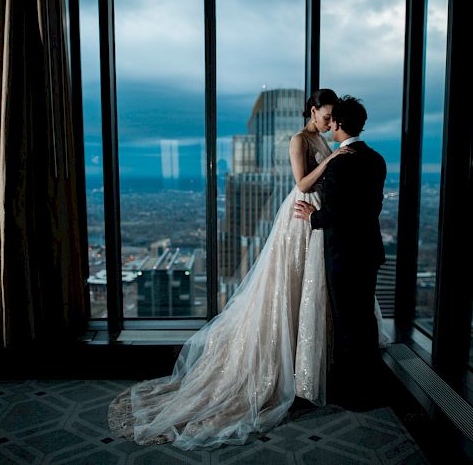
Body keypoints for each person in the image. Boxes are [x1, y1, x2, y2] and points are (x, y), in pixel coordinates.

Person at [107, 89, 387, 450]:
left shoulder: (331, 143)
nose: (329, 122)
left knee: (321, 294)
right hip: (307, 218)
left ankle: (322, 369)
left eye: (334, 118)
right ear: (314, 111)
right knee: (295, 288)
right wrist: (329, 166)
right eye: (325, 115)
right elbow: (302, 183)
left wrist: (324, 200)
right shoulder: (303, 140)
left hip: (324, 224)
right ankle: (312, 373)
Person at [294, 95, 387, 408]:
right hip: (369, 251)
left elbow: (335, 213)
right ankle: (373, 385)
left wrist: (312, 216)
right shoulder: (377, 159)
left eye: (333, 119)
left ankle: (356, 394)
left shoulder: (340, 163)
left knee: (348, 325)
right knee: (365, 322)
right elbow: (372, 207)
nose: (329, 123)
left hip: (343, 256)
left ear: (338, 124)